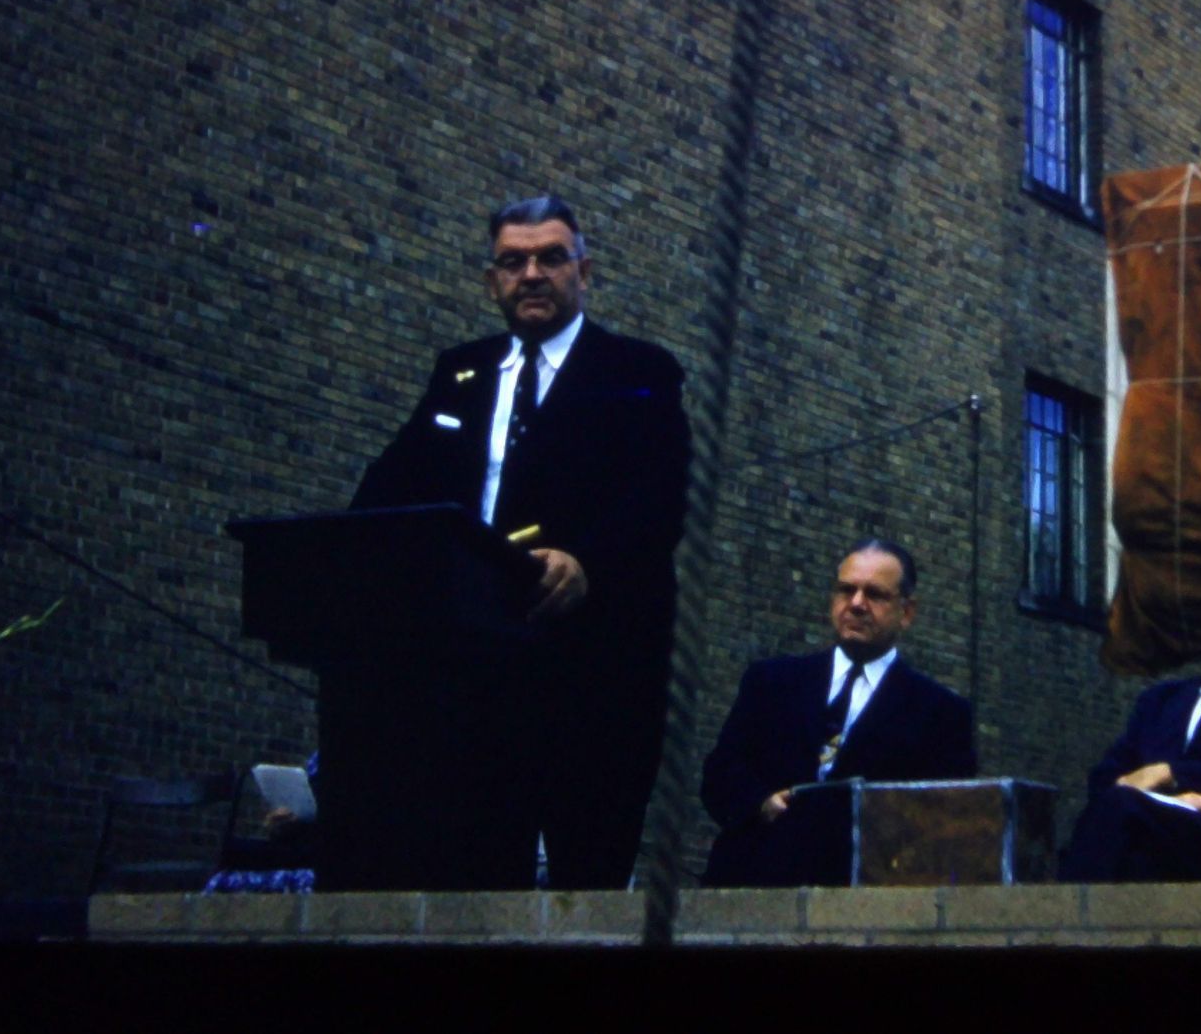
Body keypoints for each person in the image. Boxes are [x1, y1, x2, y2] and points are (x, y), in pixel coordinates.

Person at [337, 194, 690, 891]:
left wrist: (588, 563)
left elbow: (661, 498)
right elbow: (389, 491)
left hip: (593, 676)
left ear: (584, 271)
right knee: (475, 878)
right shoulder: (459, 374)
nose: (531, 275)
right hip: (475, 676)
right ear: (490, 281)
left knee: (587, 878)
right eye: (512, 262)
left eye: (551, 258)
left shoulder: (639, 371)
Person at [699, 539, 978, 887]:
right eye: (847, 590)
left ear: (907, 612)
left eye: (875, 594)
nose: (857, 604)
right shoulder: (771, 682)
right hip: (751, 886)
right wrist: (761, 803)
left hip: (862, 900)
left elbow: (944, 826)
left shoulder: (941, 714)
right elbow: (720, 774)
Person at [1057, 675, 1201, 882]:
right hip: (1148, 818)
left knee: (1120, 807)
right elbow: (1105, 775)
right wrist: (1131, 782)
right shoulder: (1162, 698)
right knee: (1116, 822)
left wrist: (1171, 773)